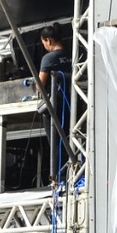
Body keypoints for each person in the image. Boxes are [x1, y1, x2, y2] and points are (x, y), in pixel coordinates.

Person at [36, 24, 70, 185]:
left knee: (55, 143)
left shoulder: (48, 59)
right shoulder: (73, 54)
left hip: (55, 106)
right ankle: (72, 173)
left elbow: (40, 85)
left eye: (44, 43)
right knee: (72, 139)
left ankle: (58, 178)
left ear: (48, 41)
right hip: (73, 104)